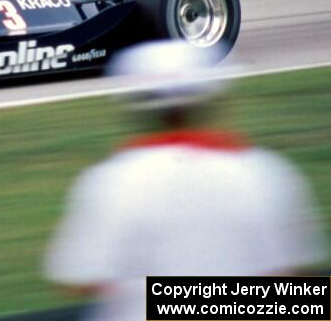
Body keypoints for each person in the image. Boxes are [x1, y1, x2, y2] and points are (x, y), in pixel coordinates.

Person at [44, 40, 326, 321]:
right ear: (215, 99)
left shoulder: (110, 182)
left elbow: (77, 278)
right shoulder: (266, 173)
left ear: (133, 106)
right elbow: (295, 286)